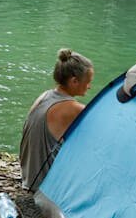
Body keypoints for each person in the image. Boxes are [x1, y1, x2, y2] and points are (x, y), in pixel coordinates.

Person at [19, 48, 95, 193]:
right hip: (46, 188)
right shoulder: (74, 109)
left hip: (29, 177)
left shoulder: (44, 96)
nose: (89, 86)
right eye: (88, 82)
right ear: (74, 81)